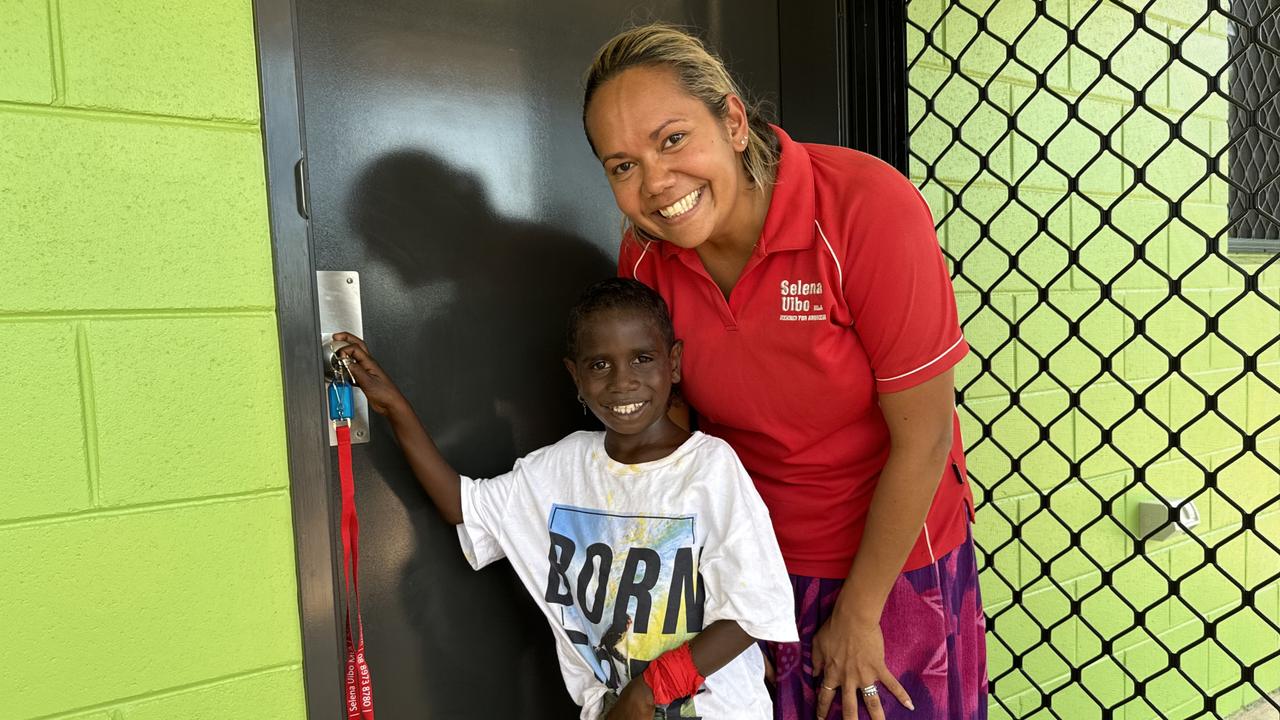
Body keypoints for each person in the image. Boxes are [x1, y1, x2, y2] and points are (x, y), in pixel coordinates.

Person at [581, 24, 988, 720]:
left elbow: (923, 442)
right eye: (623, 165)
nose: (655, 183)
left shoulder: (865, 207)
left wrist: (859, 614)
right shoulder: (645, 257)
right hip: (744, 565)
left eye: (672, 139)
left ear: (734, 122)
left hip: (885, 566)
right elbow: (676, 429)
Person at [332, 278, 798, 720]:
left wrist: (651, 687)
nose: (623, 382)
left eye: (642, 359)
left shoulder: (709, 467)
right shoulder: (562, 468)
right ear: (575, 375)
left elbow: (753, 610)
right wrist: (394, 406)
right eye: (600, 364)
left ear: (672, 362)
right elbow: (463, 505)